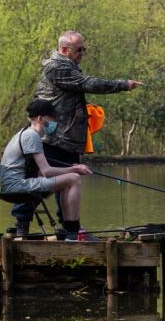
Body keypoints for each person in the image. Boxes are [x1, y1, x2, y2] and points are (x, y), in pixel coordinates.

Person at [31, 30, 142, 222]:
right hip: (56, 139)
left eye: (84, 49)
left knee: (66, 184)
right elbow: (88, 83)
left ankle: (69, 228)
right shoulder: (58, 68)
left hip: (67, 139)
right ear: (65, 49)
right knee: (51, 184)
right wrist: (123, 85)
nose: (82, 53)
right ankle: (23, 222)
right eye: (79, 49)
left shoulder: (67, 66)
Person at [0, 99, 93, 239]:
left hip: (14, 184)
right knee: (74, 179)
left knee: (67, 181)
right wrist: (75, 169)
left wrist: (69, 169)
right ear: (40, 118)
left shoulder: (24, 132)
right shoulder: (32, 136)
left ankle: (70, 231)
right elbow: (47, 171)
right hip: (17, 187)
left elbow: (40, 170)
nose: (54, 122)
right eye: (52, 118)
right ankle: (73, 231)